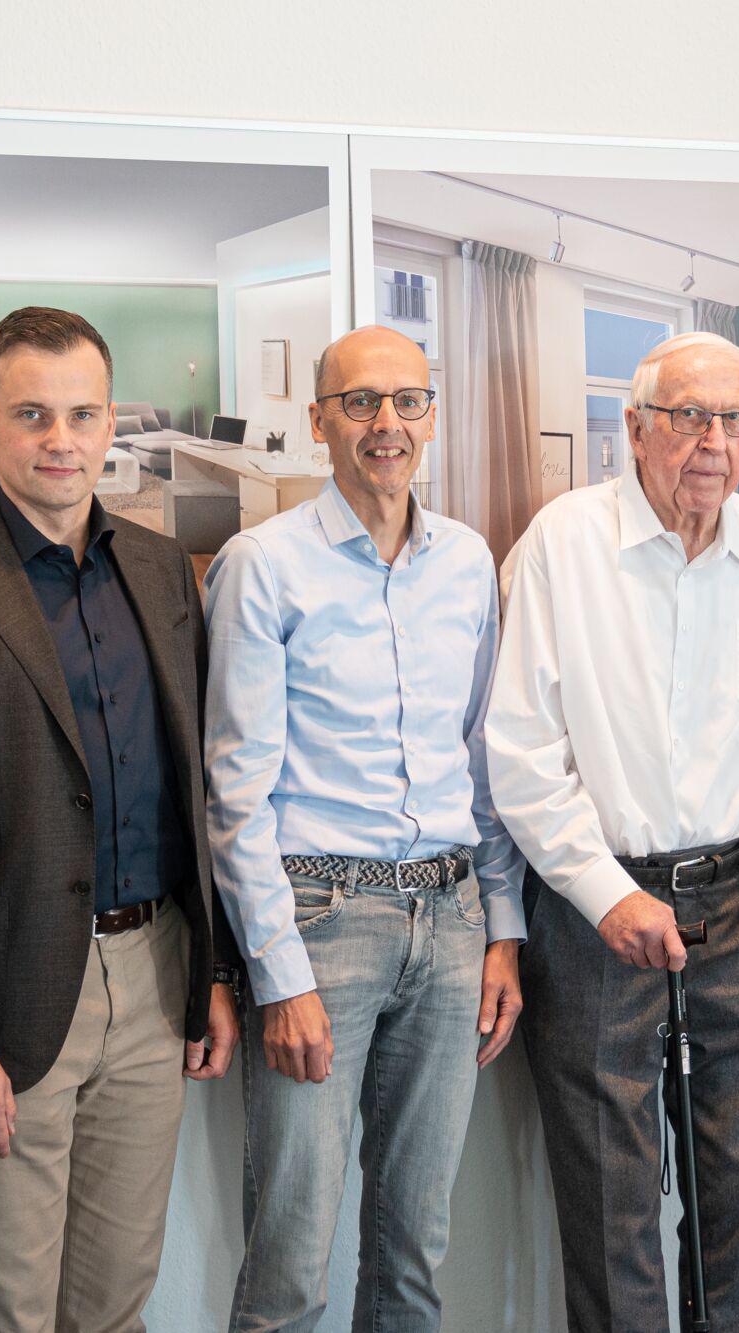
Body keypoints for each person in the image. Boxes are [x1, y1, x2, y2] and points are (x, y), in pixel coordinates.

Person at [0, 306, 240, 1331]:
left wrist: (210, 970)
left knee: (117, 1301)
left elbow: (191, 788)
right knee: (5, 1309)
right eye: (30, 414)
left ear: (111, 420)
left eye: (81, 414)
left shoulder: (161, 572)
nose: (60, 440)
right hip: (12, 992)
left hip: (155, 974)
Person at [485, 331, 739, 1331]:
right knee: (610, 1200)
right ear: (635, 428)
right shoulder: (561, 543)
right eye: (688, 417)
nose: (712, 443)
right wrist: (606, 893)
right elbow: (518, 751)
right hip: (598, 907)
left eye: (733, 420)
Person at [205, 325, 525, 1331]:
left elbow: (483, 762)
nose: (385, 424)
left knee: (412, 1252)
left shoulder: (468, 563)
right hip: (319, 916)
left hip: (450, 913)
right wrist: (278, 971)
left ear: (431, 415)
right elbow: (234, 792)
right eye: (359, 403)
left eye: (406, 401)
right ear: (318, 421)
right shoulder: (264, 567)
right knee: (290, 1256)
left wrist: (502, 927)